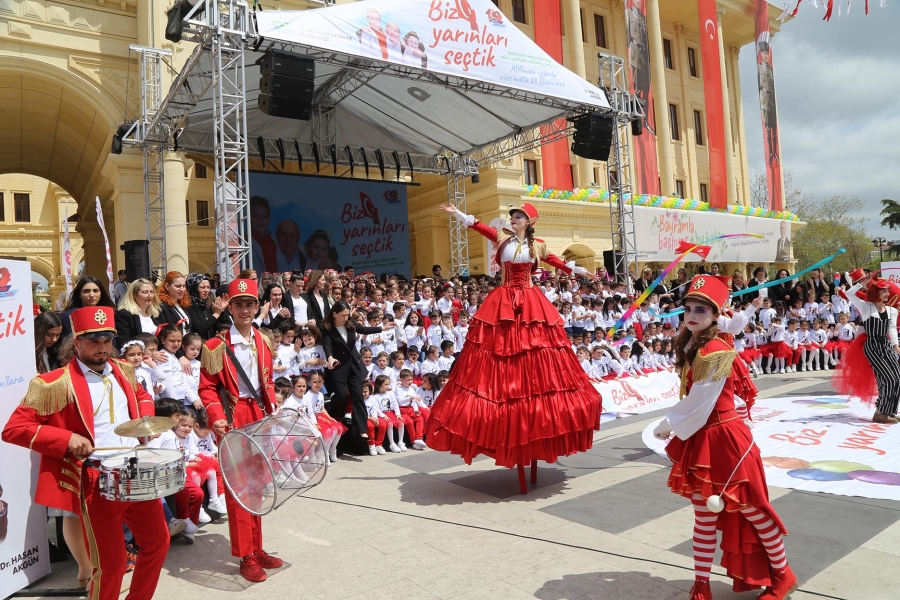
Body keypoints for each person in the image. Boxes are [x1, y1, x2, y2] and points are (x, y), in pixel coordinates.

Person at [2, 306, 168, 600]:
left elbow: (142, 395)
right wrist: (66, 438)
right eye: (94, 341)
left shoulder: (124, 370)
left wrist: (144, 419)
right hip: (97, 478)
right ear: (76, 343)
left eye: (107, 341)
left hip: (135, 472)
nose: (102, 348)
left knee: (158, 543)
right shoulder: (53, 383)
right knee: (111, 565)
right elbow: (14, 428)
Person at [427, 202, 602, 473]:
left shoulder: (539, 245)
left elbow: (557, 261)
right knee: (499, 351)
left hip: (530, 300)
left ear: (529, 222)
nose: (514, 219)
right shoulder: (502, 238)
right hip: (505, 298)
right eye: (513, 216)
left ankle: (532, 414)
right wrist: (459, 213)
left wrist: (581, 272)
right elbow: (479, 226)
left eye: (519, 216)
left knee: (536, 350)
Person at [653, 275, 795, 600]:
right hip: (704, 438)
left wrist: (668, 423)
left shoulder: (715, 349)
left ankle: (783, 575)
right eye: (688, 308)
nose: (692, 315)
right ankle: (701, 583)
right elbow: (732, 326)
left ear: (715, 315)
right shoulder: (697, 342)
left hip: (726, 440)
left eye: (701, 310)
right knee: (703, 516)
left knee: (754, 512)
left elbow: (702, 400)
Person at [198, 278, 282, 583]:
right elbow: (207, 389)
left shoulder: (265, 340)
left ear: (257, 306)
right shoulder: (215, 346)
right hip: (234, 416)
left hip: (259, 414)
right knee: (237, 488)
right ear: (229, 308)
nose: (244, 310)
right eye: (238, 305)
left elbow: (268, 381)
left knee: (258, 484)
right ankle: (245, 554)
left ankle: (257, 548)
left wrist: (273, 406)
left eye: (249, 304)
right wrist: (216, 416)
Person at [832, 273, 900, 424]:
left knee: (897, 378)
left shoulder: (892, 311)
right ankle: (881, 412)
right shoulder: (865, 307)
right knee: (887, 378)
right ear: (876, 293)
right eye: (884, 291)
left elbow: (892, 328)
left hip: (886, 345)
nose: (888, 294)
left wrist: (895, 345)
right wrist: (863, 283)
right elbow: (849, 294)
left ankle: (889, 411)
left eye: (887, 291)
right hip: (872, 345)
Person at [322, 300, 383, 440]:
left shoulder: (350, 323)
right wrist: (330, 358)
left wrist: (382, 328)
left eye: (347, 315)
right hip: (338, 367)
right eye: (343, 315)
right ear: (334, 314)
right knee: (342, 395)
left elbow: (363, 329)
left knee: (358, 395)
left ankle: (361, 429)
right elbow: (327, 345)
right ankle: (334, 416)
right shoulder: (327, 328)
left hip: (354, 366)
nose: (345, 318)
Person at [115, 278, 166, 348]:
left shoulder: (157, 312)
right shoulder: (124, 314)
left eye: (151, 292)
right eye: (145, 292)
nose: (149, 295)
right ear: (134, 295)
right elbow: (124, 342)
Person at [185, 273, 228, 340]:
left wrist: (220, 309)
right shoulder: (189, 306)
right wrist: (216, 314)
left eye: (208, 287)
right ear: (194, 288)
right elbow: (199, 329)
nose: (206, 290)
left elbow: (212, 324)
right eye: (202, 287)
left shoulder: (203, 306)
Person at [250, 195, 278, 274]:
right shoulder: (246, 241)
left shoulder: (274, 241)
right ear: (249, 217)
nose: (260, 220)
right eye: (256, 216)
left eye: (264, 217)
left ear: (269, 219)